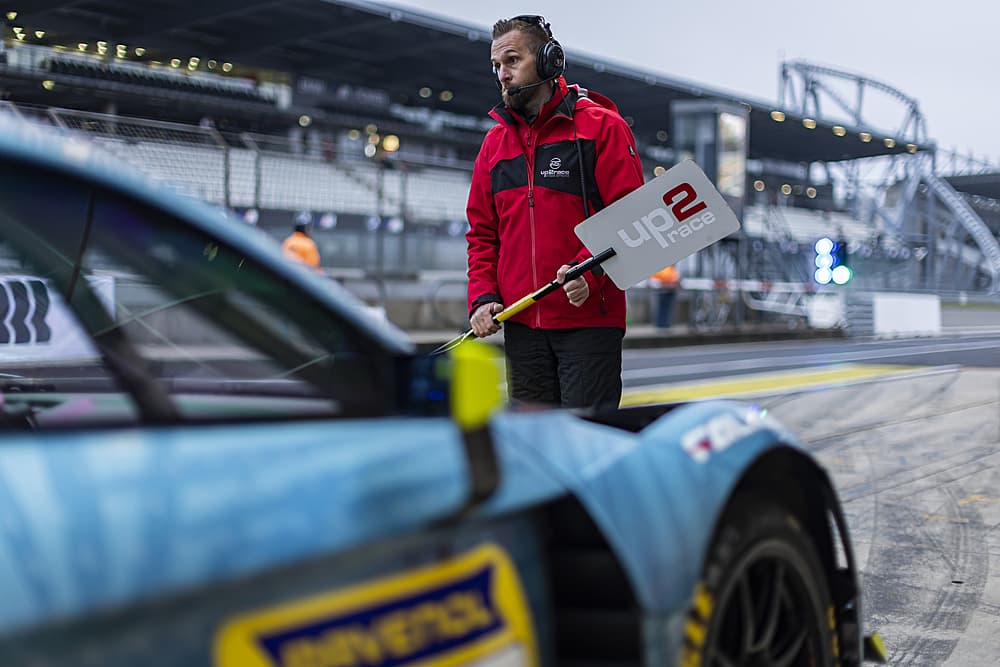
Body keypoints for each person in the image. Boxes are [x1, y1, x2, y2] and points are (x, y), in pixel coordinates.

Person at [465, 15, 645, 410]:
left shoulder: (602, 128)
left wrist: (589, 272)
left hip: (588, 323)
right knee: (533, 442)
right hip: (521, 325)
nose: (503, 74)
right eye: (497, 65)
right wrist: (482, 297)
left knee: (586, 439)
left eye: (512, 61)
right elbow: (482, 233)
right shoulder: (493, 145)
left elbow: (632, 216)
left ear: (549, 61)